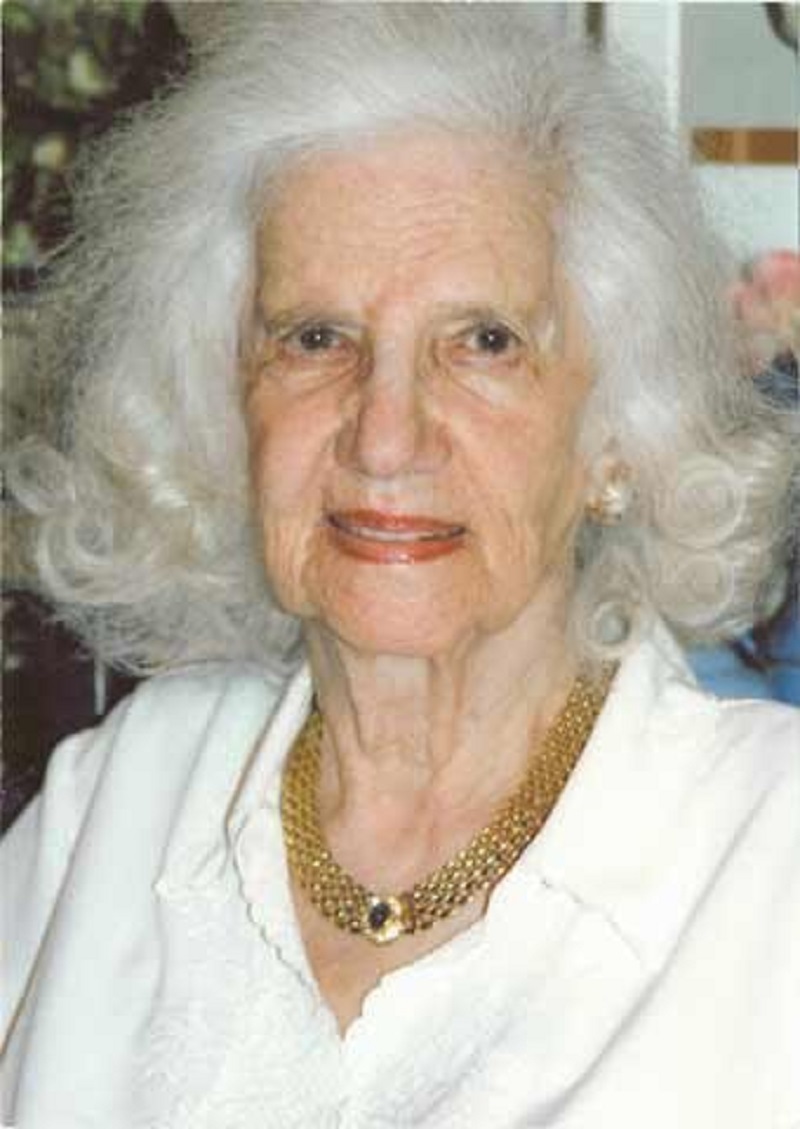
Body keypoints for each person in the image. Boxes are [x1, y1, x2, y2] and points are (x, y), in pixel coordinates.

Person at [2, 6, 798, 1127]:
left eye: (483, 342)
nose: (385, 438)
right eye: (314, 337)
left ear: (617, 433)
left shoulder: (770, 852)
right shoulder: (121, 795)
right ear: (225, 407)